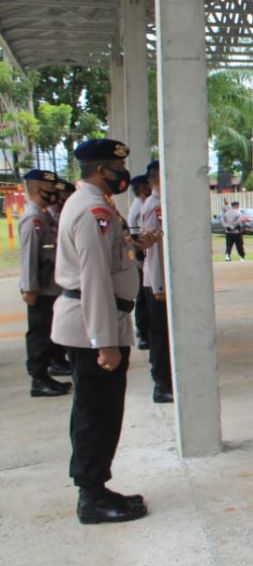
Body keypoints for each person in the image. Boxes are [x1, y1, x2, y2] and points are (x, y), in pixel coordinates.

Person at [51, 138, 147, 525]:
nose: (122, 174)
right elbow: (92, 278)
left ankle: (96, 488)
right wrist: (104, 342)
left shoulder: (96, 205)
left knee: (99, 412)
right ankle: (91, 497)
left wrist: (135, 246)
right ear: (101, 170)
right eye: (115, 167)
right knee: (97, 414)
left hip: (95, 323)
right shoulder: (92, 210)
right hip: (92, 328)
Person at [19, 169, 72, 398]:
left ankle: (46, 373)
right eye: (50, 190)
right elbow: (28, 256)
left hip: (50, 285)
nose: (54, 194)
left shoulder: (43, 215)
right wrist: (29, 288)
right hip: (40, 287)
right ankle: (38, 379)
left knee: (48, 330)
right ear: (39, 190)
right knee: (39, 333)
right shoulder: (34, 218)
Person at [137, 160, 173, 404]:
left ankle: (167, 380)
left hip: (162, 282)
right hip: (157, 285)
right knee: (160, 335)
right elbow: (154, 250)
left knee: (166, 334)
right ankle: (162, 385)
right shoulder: (155, 207)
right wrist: (160, 286)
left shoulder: (161, 204)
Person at [128, 175, 152, 349]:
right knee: (143, 298)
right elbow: (135, 238)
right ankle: (143, 333)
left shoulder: (140, 206)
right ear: (143, 189)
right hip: (141, 258)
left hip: (143, 256)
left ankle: (143, 331)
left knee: (143, 297)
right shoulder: (140, 207)